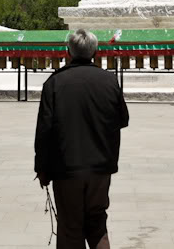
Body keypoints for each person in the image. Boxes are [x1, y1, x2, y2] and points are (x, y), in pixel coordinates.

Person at [34, 29, 129, 249]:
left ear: (68, 51)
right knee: (97, 223)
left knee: (70, 226)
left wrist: (42, 167)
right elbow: (122, 119)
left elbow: (44, 130)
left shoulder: (54, 83)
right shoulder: (109, 80)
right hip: (100, 167)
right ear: (95, 51)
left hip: (66, 168)